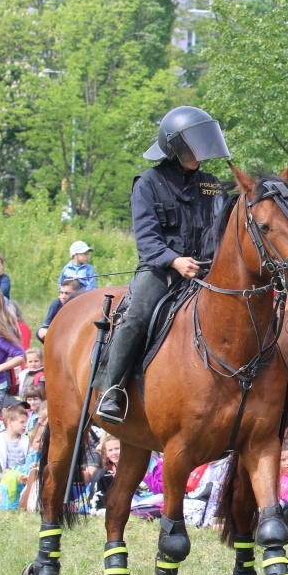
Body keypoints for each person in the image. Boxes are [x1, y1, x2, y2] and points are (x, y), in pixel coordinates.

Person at [95, 106, 230, 424]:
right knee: (137, 315)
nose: (200, 152)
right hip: (160, 269)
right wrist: (174, 261)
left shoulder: (211, 185)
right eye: (193, 145)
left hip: (206, 270)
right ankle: (112, 389)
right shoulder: (148, 183)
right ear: (175, 147)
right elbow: (147, 240)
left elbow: (222, 231)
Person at [0, 403, 29, 479]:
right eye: (22, 422)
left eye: (26, 422)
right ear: (10, 422)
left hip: (23, 477)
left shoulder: (26, 440)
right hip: (5, 478)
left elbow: (31, 459)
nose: (25, 425)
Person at [37, 279, 83, 343]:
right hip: (58, 336)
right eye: (61, 293)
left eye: (67, 293)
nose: (63, 297)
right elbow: (46, 326)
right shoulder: (56, 304)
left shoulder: (83, 306)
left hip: (76, 337)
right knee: (40, 331)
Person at [88, 434, 121, 513]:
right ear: (106, 454)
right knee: (99, 473)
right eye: (110, 450)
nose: (114, 453)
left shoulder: (131, 468)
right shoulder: (107, 471)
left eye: (117, 448)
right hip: (110, 500)